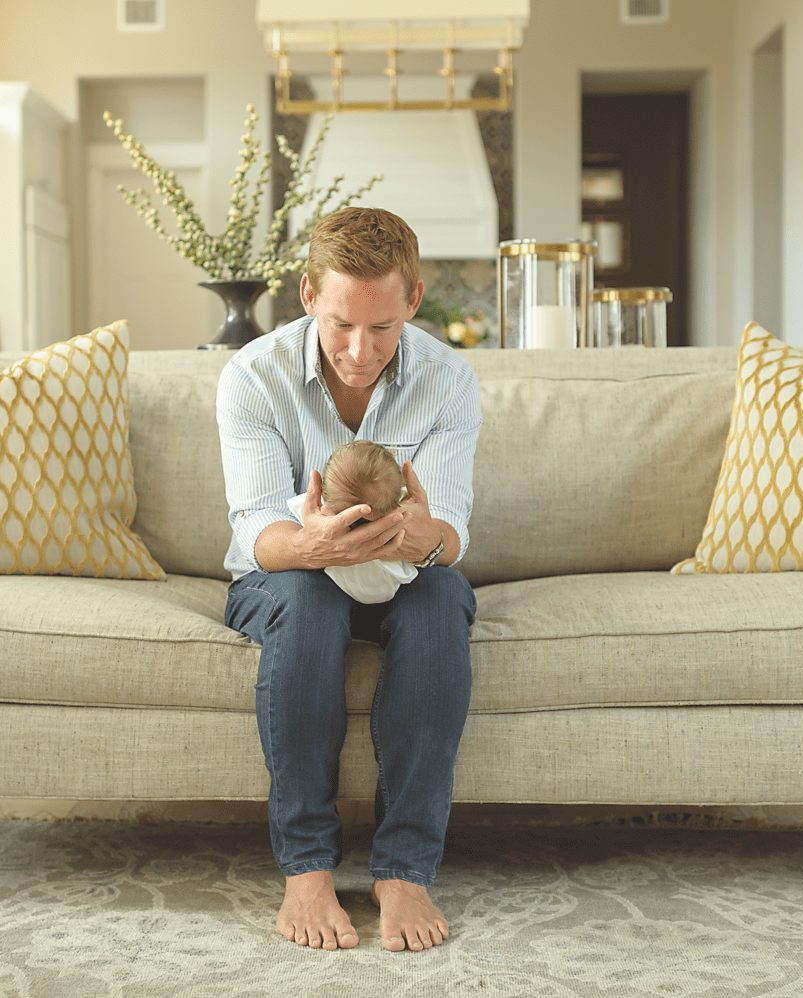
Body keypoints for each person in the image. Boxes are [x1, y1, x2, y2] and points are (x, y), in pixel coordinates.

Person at [217, 207, 483, 953]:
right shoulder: (254, 377)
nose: (360, 352)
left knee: (438, 602)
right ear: (306, 294)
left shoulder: (448, 380)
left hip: (404, 571)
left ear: (414, 302)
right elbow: (255, 529)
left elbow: (453, 526)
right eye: (340, 325)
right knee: (308, 604)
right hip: (287, 577)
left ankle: (404, 871)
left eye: (382, 329)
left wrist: (428, 537)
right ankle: (306, 870)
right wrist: (311, 546)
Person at [285, 440, 418, 605]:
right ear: (321, 495)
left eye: (366, 518)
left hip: (384, 596)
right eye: (346, 515)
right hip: (326, 587)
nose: (356, 523)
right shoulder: (309, 513)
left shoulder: (404, 517)